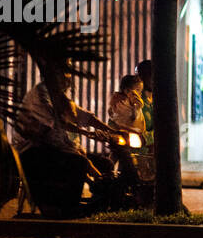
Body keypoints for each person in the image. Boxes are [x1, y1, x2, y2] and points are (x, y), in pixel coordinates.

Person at [13, 60, 116, 217]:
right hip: (33, 151)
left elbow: (83, 116)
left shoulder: (59, 96)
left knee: (104, 163)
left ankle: (101, 201)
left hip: (54, 148)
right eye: (62, 73)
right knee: (79, 162)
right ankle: (69, 207)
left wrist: (113, 131)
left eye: (67, 73)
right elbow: (57, 123)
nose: (67, 78)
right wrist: (85, 134)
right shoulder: (41, 94)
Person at [107, 73, 146, 182]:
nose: (139, 94)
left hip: (132, 134)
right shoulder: (119, 101)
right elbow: (120, 116)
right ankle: (105, 174)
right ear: (127, 91)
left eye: (140, 91)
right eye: (137, 90)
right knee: (114, 154)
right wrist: (135, 108)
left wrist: (137, 107)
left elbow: (136, 119)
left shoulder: (134, 103)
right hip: (119, 134)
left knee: (130, 155)